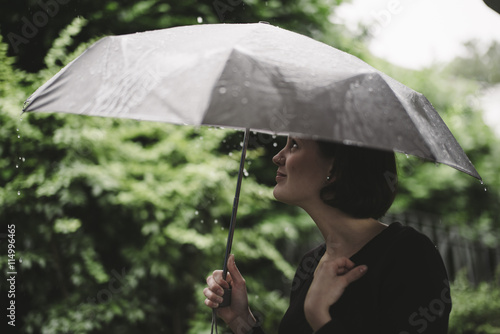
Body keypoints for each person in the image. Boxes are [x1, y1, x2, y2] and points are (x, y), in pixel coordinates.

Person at [203, 137, 451, 334]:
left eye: (295, 145)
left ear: (335, 167)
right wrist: (241, 320)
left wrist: (319, 316)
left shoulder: (408, 255)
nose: (277, 156)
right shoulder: (310, 264)